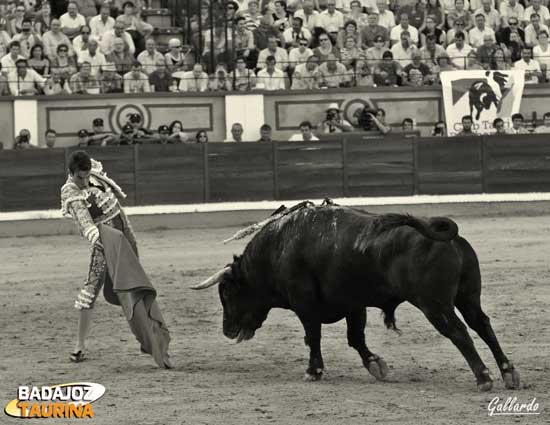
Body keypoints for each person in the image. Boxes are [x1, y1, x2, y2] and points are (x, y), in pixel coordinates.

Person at [60, 151, 172, 368]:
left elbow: (114, 199)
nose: (84, 182)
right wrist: (96, 239)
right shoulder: (70, 191)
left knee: (134, 283)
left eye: (86, 177)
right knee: (91, 288)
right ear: (70, 173)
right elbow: (84, 221)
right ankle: (79, 345)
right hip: (105, 241)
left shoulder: (93, 170)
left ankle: (147, 337)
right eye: (79, 178)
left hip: (125, 232)